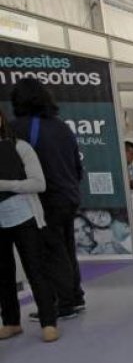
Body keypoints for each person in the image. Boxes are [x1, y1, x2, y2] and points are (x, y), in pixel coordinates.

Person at [8, 78, 85, 320]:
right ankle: (73, 296)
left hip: (45, 198)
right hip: (68, 194)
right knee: (66, 247)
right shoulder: (61, 126)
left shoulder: (18, 128)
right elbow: (77, 165)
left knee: (50, 251)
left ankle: (63, 303)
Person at [0, 110, 58, 342]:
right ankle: (12, 321)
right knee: (3, 273)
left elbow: (38, 183)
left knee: (35, 268)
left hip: (25, 216)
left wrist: (5, 184)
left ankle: (48, 321)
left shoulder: (20, 146)